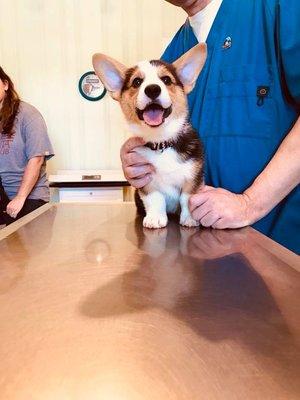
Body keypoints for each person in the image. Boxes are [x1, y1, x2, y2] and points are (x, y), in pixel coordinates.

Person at [120, 0, 300, 254]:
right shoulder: (173, 56)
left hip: (278, 247)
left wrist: (249, 204)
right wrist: (139, 155)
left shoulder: (278, 10)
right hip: (199, 253)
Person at [0, 67, 54, 225]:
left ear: (5, 84)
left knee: (24, 249)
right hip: (4, 197)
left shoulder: (28, 114)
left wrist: (20, 197)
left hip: (30, 198)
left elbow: (36, 159)